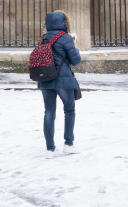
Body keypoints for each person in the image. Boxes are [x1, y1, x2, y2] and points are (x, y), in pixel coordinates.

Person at [37, 11, 81, 158]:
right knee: (69, 110)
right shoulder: (66, 38)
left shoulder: (43, 39)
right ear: (63, 22)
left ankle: (50, 149)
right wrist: (74, 47)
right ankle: (68, 144)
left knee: (49, 112)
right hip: (63, 80)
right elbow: (75, 61)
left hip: (46, 79)